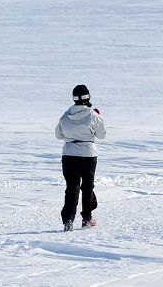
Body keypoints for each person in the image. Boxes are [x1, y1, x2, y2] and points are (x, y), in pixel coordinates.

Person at [55, 84, 106, 231]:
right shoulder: (93, 114)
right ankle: (87, 219)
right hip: (88, 154)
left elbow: (58, 135)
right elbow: (102, 135)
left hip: (69, 154)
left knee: (72, 188)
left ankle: (68, 220)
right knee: (87, 187)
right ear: (88, 97)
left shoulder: (65, 115)